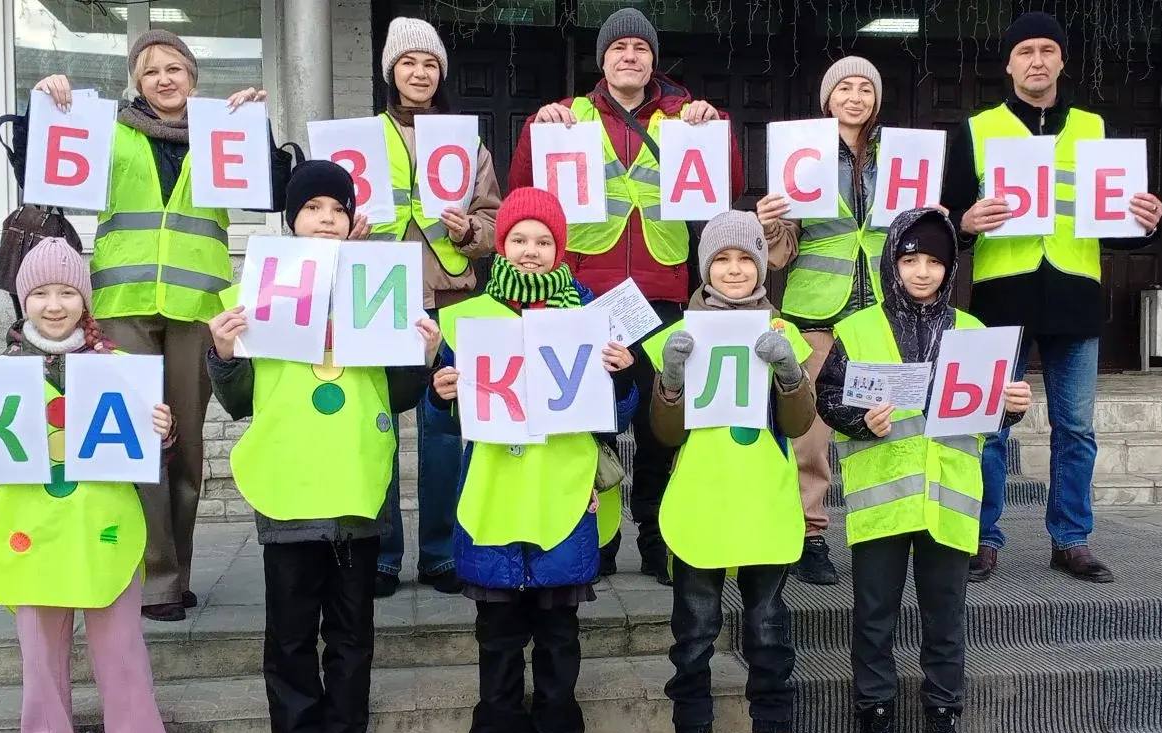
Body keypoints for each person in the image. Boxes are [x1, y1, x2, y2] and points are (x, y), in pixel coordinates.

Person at [24, 30, 295, 621]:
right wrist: (44, 107)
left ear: (193, 77)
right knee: (137, 441)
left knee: (186, 446)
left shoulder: (223, 132)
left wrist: (260, 130)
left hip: (197, 308)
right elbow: (40, 172)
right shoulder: (106, 131)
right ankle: (156, 580)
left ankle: (179, 570)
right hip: (122, 304)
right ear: (136, 82)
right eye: (151, 71)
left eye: (175, 68)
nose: (164, 79)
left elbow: (275, 195)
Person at [206, 161, 439, 733]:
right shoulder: (257, 293)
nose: (326, 219)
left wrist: (422, 355)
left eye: (338, 209)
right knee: (288, 636)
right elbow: (239, 400)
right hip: (287, 490)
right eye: (312, 208)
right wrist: (222, 354)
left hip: (357, 487)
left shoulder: (380, 288)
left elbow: (400, 393)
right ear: (291, 221)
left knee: (351, 635)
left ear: (353, 220)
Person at [0, 238, 176, 733]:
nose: (54, 304)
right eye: (41, 292)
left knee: (122, 654)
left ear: (84, 299)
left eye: (67, 291)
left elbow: (147, 455)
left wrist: (164, 435)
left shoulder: (119, 367)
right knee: (40, 660)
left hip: (104, 530)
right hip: (31, 534)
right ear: (23, 301)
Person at [509, 8, 745, 586]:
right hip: (586, 294)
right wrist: (539, 126)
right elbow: (522, 191)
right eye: (619, 48)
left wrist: (715, 125)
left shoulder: (685, 116)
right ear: (603, 60)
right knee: (594, 423)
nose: (630, 56)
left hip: (662, 291)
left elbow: (731, 188)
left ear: (653, 60)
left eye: (641, 48)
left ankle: (657, 538)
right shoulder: (570, 116)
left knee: (660, 425)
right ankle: (602, 539)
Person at [940, 12, 1162, 584]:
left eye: (1047, 50)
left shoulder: (1094, 128)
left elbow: (1115, 223)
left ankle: (1071, 539)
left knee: (1077, 429)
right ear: (1009, 63)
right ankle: (983, 537)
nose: (1036, 60)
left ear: (1062, 60)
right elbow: (946, 221)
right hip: (1000, 297)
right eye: (1025, 51)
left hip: (1073, 294)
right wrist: (964, 222)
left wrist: (1146, 222)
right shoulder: (976, 129)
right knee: (988, 425)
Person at [429, 188, 637, 733]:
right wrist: (440, 394)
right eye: (518, 238)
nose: (530, 250)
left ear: (560, 249)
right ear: (500, 245)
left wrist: (622, 377)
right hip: (492, 498)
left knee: (558, 640)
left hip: (562, 498)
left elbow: (618, 416)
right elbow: (443, 421)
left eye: (543, 240)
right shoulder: (467, 319)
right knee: (495, 640)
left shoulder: (591, 316)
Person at [815, 208, 1034, 733]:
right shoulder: (857, 328)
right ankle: (875, 718)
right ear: (892, 261)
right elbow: (829, 397)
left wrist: (1011, 408)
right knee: (874, 618)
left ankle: (944, 718)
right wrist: (861, 420)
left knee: (946, 619)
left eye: (935, 261)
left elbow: (987, 414)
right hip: (882, 500)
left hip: (948, 497)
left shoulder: (975, 332)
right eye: (911, 259)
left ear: (950, 267)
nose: (922, 271)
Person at [643, 211, 816, 733]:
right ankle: (692, 730)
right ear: (705, 267)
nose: (735, 269)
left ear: (763, 265)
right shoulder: (680, 336)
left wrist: (789, 373)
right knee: (694, 633)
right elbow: (665, 434)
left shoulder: (784, 331)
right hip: (702, 501)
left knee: (768, 629)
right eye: (722, 259)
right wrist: (670, 381)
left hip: (764, 500)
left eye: (746, 258)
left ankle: (772, 729)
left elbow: (799, 424)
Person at [368, 17, 501, 598]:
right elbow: (325, 214)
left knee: (445, 430)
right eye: (408, 62)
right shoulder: (362, 137)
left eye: (430, 64)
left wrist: (471, 229)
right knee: (379, 428)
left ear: (440, 73)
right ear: (391, 71)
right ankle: (382, 554)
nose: (419, 73)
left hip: (451, 298)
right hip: (377, 299)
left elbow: (495, 222)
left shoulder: (468, 143)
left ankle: (441, 552)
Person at [757, 56, 887, 587]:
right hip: (815, 310)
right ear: (827, 98)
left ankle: (880, 530)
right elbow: (781, 254)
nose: (855, 97)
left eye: (865, 89)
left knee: (879, 423)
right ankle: (809, 535)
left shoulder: (896, 156)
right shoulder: (803, 154)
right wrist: (770, 226)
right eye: (844, 88)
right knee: (810, 435)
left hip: (880, 312)